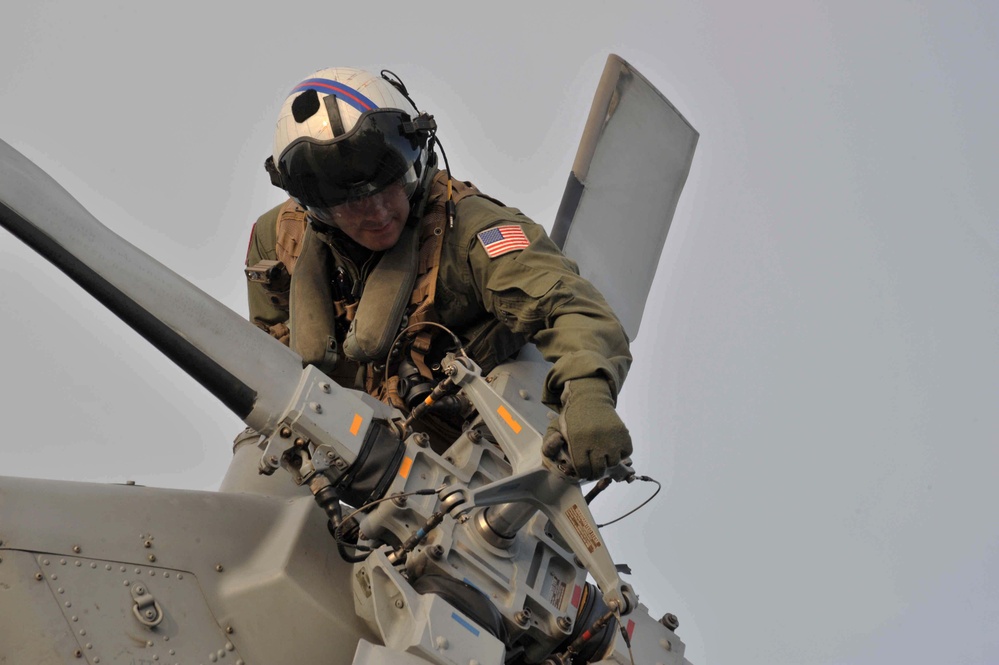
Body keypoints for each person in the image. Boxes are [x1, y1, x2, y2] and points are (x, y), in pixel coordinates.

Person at [245, 66, 632, 480]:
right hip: (349, 468)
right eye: (351, 202)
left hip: (476, 467)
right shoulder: (280, 240)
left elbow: (569, 305)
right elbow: (268, 364)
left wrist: (588, 390)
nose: (376, 212)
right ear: (315, 206)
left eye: (389, 183)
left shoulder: (470, 232)